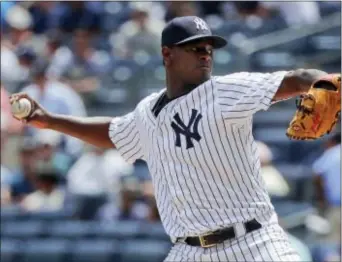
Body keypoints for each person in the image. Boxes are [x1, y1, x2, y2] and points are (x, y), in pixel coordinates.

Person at [10, 16, 336, 261]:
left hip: (254, 243)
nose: (205, 55)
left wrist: (322, 82)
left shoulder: (224, 92)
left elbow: (295, 79)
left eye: (208, 49)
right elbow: (112, 132)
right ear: (167, 55)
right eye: (195, 48)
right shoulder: (147, 112)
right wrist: (50, 120)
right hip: (188, 251)